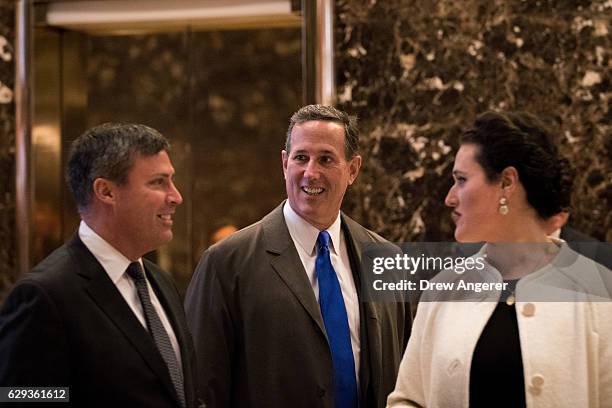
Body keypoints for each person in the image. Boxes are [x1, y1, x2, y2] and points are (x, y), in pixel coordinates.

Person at [185, 104, 412, 408]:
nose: (311, 173)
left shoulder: (388, 261)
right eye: (301, 158)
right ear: (284, 163)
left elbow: (409, 378)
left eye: (326, 159)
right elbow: (201, 390)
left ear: (353, 169)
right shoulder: (226, 263)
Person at [387, 111, 612, 407]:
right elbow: (407, 400)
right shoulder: (442, 291)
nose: (450, 198)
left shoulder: (598, 291)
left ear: (507, 182)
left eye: (461, 180)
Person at [0, 123, 202, 407]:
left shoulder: (160, 281)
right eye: (158, 182)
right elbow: (22, 398)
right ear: (106, 191)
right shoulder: (44, 295)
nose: (176, 196)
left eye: (172, 180)